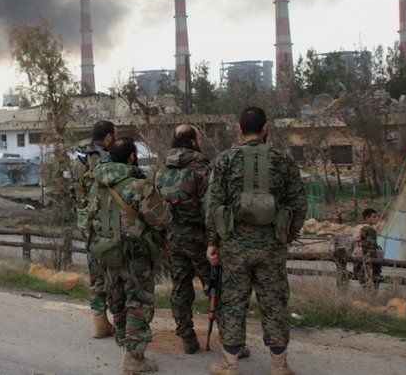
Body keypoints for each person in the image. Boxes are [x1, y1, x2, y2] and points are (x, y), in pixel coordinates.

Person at [205, 107, 306, 375]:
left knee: (233, 302)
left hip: (235, 246)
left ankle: (230, 364)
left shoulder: (226, 160)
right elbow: (299, 202)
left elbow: (213, 204)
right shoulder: (283, 160)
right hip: (272, 244)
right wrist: (288, 235)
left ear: (239, 129)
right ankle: (279, 365)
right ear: (265, 129)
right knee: (274, 303)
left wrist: (213, 242)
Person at [87, 137, 169, 374]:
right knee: (139, 302)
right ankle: (133, 357)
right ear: (132, 157)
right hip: (135, 255)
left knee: (117, 298)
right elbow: (160, 220)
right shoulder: (139, 185)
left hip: (107, 252)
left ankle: (124, 343)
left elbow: (89, 216)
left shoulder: (97, 183)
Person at [153, 124, 212, 354]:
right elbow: (211, 206)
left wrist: (162, 236)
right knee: (214, 286)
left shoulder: (161, 171)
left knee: (180, 288)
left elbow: (156, 208)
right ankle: (231, 338)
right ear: (192, 141)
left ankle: (187, 338)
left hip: (175, 235)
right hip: (200, 238)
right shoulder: (202, 168)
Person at [73, 120, 117, 338]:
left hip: (86, 221)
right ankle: (121, 321)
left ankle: (99, 321)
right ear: (108, 137)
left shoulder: (79, 156)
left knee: (95, 271)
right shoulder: (108, 157)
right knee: (116, 270)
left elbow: (74, 187)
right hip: (108, 222)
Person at [352, 208, 383, 289]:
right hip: (368, 259)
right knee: (372, 281)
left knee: (364, 282)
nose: (376, 219)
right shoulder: (369, 230)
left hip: (359, 257)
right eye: (374, 217)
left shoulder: (360, 228)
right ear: (367, 218)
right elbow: (371, 246)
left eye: (376, 217)